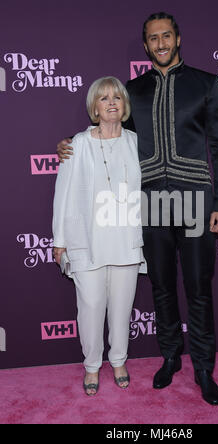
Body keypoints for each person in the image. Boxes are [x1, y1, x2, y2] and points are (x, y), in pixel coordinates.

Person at [57, 12, 218, 406]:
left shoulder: (206, 84)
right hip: (149, 202)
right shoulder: (132, 91)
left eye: (166, 36)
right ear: (146, 45)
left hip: (194, 201)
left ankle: (204, 368)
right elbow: (105, 124)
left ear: (178, 38)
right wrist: (69, 142)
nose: (161, 43)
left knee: (199, 288)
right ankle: (170, 356)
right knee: (162, 287)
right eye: (153, 38)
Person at [53, 76, 145, 396]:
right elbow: (62, 194)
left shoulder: (137, 142)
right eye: (103, 98)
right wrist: (58, 240)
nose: (111, 103)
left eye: (116, 97)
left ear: (124, 104)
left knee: (121, 307)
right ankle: (92, 365)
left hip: (125, 241)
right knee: (90, 307)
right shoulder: (76, 144)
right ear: (94, 107)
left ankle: (118, 360)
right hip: (87, 241)